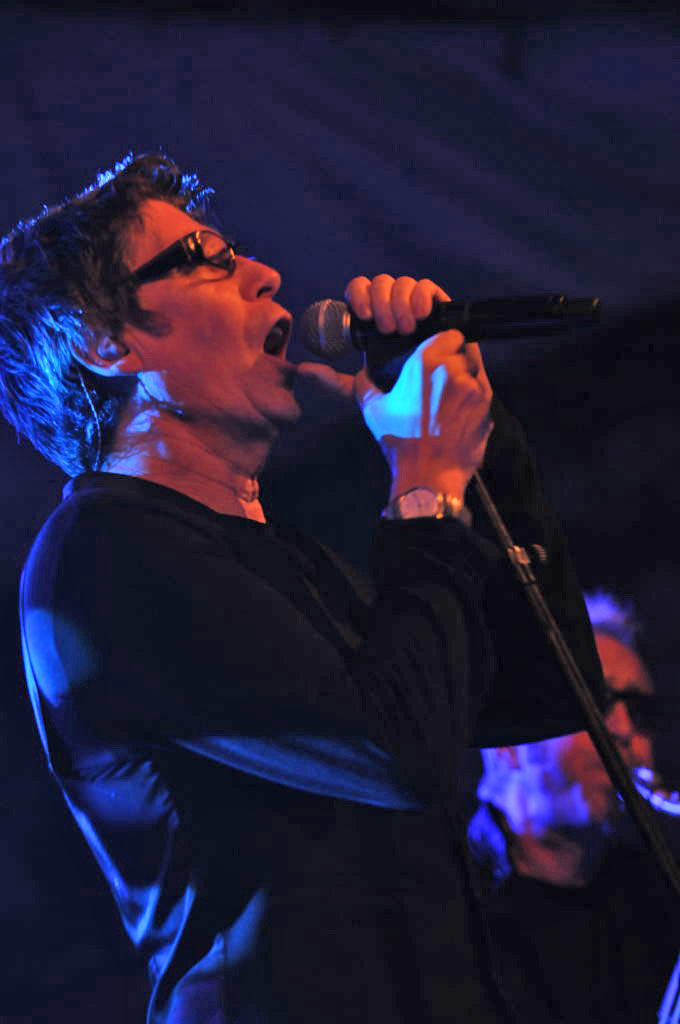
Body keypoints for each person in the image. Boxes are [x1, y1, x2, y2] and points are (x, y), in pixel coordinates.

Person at [2, 152, 604, 1023]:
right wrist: (423, 485)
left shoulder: (290, 558)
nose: (265, 273)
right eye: (206, 258)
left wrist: (479, 452)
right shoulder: (98, 558)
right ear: (109, 344)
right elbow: (399, 753)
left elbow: (541, 692)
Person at [468, 591, 679, 1023]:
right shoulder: (444, 899)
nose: (625, 732)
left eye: (640, 712)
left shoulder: (657, 901)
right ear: (508, 744)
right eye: (596, 702)